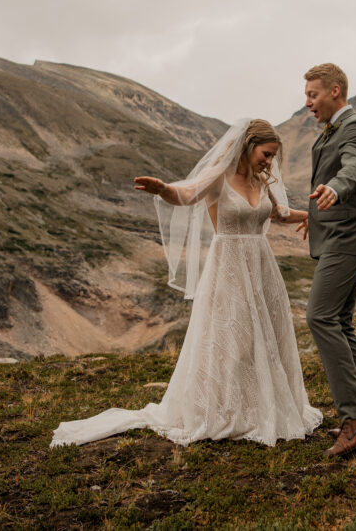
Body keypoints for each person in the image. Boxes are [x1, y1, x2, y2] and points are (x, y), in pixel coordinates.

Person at [50, 119, 321, 447]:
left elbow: (278, 213)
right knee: (232, 338)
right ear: (248, 146)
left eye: (273, 156)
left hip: (261, 266)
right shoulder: (219, 176)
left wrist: (309, 216)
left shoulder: (263, 181)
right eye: (266, 154)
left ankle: (265, 404)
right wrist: (164, 190)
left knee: (263, 336)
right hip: (229, 267)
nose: (269, 162)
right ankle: (228, 409)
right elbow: (188, 193)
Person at [301, 63, 356, 457]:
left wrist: (335, 190)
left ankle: (354, 418)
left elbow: (354, 166)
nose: (307, 103)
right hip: (335, 234)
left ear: (335, 91)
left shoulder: (354, 127)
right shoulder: (333, 128)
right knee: (341, 322)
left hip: (346, 238)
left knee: (319, 316)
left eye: (313, 95)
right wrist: (315, 214)